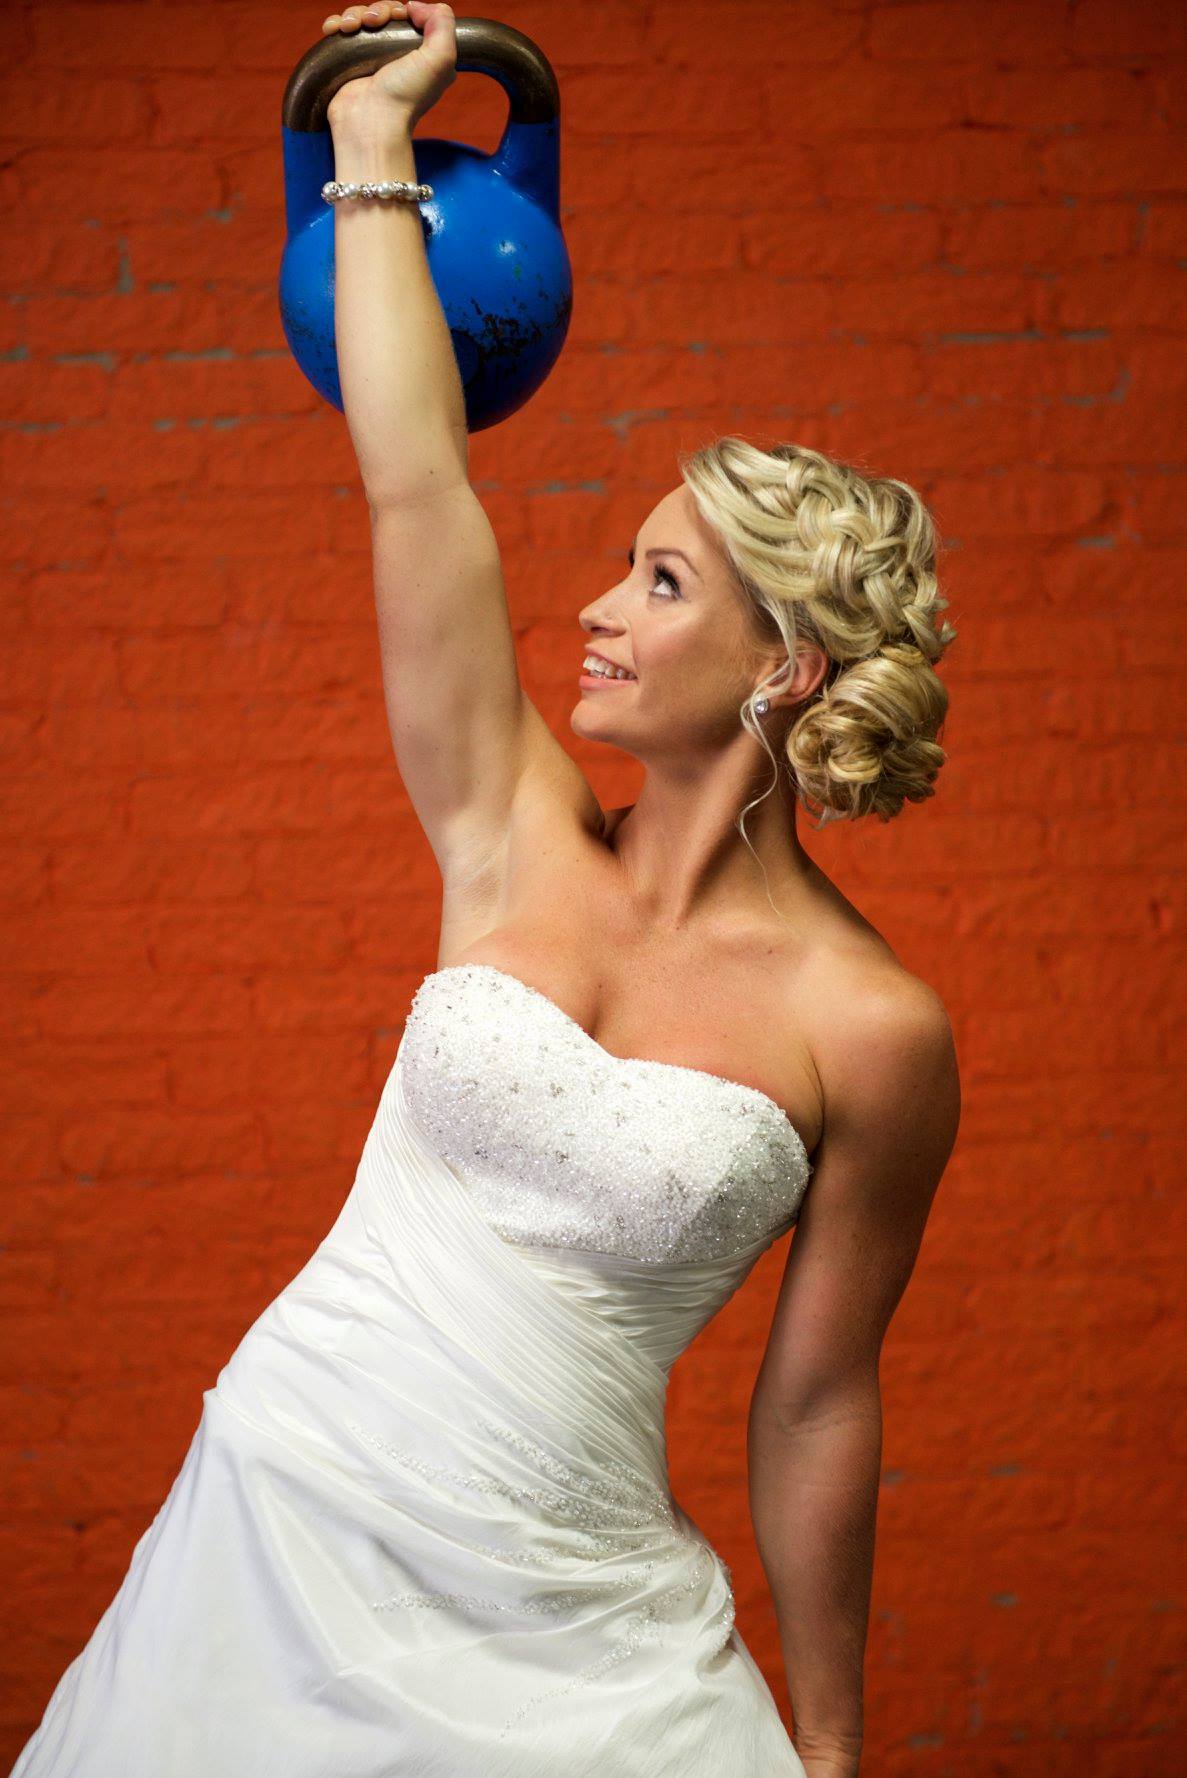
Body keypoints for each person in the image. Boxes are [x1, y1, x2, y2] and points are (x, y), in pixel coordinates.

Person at [11, 4, 961, 1775]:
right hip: (285, 1525)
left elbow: (820, 1395)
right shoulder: (509, 825)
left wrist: (833, 1751)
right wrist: (372, 154)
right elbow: (415, 475)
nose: (598, 604)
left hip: (580, 1630)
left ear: (786, 667)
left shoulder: (877, 1031)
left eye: (661, 581)